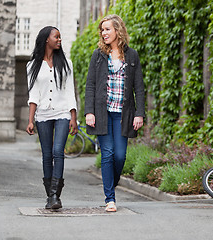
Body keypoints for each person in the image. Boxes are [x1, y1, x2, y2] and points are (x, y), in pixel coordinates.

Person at [84, 14, 145, 212]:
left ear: (117, 30)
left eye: (107, 29)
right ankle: (110, 198)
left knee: (120, 156)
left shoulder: (132, 55)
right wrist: (89, 112)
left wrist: (139, 113)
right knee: (107, 154)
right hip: (103, 113)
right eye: (102, 30)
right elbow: (91, 85)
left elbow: (139, 87)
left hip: (123, 114)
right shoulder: (98, 55)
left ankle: (112, 181)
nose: (104, 33)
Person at [26, 26, 78, 210]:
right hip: (42, 114)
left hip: (62, 111)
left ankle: (56, 195)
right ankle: (50, 196)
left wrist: (73, 116)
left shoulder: (67, 64)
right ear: (46, 39)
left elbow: (70, 90)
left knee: (58, 151)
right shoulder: (32, 65)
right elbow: (33, 95)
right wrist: (31, 120)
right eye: (56, 37)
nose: (59, 40)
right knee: (47, 155)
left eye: (60, 37)